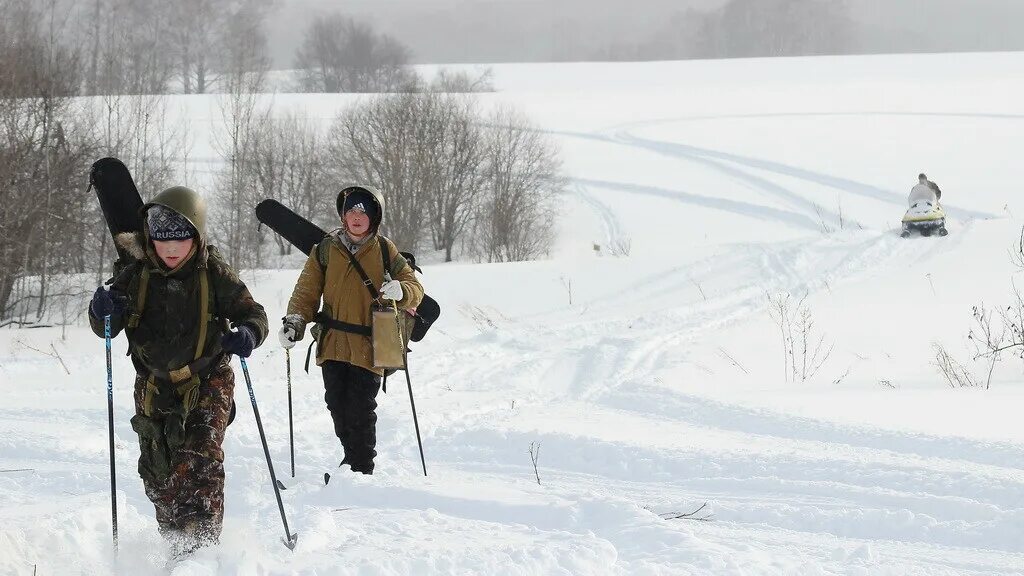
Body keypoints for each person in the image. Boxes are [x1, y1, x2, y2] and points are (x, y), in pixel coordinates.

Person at [87, 186, 268, 555]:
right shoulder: (136, 273)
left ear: (196, 236)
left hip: (207, 381)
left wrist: (248, 333)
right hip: (153, 385)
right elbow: (104, 323)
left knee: (199, 462)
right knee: (160, 473)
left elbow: (253, 313)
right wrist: (103, 310)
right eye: (162, 240)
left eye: (179, 240)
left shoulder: (213, 272)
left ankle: (202, 552)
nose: (170, 249)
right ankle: (176, 543)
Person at [281, 185, 423, 475]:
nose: (356, 216)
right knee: (336, 405)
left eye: (363, 211)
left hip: (371, 343)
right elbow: (306, 291)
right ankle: (351, 462)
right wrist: (294, 322)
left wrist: (401, 290)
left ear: (374, 217)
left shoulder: (385, 250)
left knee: (360, 409)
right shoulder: (325, 249)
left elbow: (416, 289)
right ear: (343, 216)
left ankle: (361, 468)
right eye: (351, 210)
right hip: (332, 342)